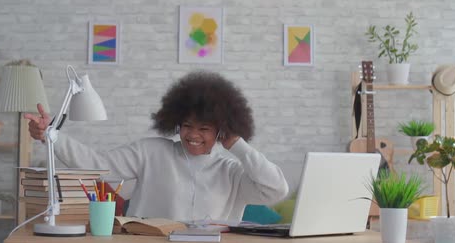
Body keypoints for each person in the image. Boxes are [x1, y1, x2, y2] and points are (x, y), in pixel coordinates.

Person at [25, 70, 288, 222]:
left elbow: (276, 190)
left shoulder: (231, 171)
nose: (193, 135)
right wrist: (52, 134)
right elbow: (96, 164)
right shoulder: (151, 152)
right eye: (186, 125)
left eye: (204, 128)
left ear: (221, 130)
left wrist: (237, 145)